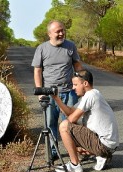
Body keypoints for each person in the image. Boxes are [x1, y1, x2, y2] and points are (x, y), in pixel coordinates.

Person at [31, 20, 84, 160]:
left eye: (62, 30)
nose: (61, 33)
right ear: (49, 34)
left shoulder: (70, 46)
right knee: (50, 124)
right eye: (57, 32)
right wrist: (40, 91)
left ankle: (77, 150)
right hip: (50, 93)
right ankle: (53, 152)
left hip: (69, 92)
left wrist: (84, 84)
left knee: (71, 123)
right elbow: (37, 71)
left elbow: (77, 66)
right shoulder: (41, 49)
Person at [52, 70, 119, 172]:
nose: (73, 88)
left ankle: (75, 165)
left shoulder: (91, 95)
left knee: (64, 126)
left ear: (85, 83)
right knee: (71, 131)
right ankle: (101, 155)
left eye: (75, 84)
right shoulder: (91, 95)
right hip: (107, 145)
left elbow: (71, 119)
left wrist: (75, 141)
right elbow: (70, 111)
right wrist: (56, 99)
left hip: (103, 144)